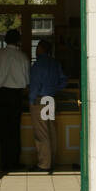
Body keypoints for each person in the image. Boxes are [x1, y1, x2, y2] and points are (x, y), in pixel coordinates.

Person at [0, 28, 30, 171]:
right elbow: (27, 80)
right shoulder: (22, 57)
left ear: (5, 40)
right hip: (16, 95)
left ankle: (5, 162)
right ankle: (14, 162)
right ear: (18, 41)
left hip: (0, 95)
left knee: (2, 129)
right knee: (14, 129)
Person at [27, 39, 68, 173]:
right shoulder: (55, 63)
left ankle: (44, 164)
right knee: (51, 130)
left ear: (40, 49)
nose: (36, 50)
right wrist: (54, 89)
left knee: (41, 133)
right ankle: (52, 160)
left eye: (37, 47)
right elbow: (63, 80)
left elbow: (35, 85)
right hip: (51, 98)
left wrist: (31, 100)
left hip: (40, 100)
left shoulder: (38, 65)